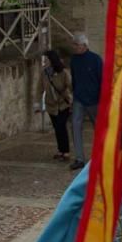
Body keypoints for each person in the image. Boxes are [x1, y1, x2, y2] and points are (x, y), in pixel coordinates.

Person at [68, 33, 102, 170]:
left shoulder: (96, 59)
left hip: (94, 100)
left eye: (77, 45)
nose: (75, 47)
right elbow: (74, 78)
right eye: (74, 44)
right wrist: (74, 93)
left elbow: (102, 79)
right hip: (79, 99)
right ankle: (79, 158)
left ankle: (100, 156)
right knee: (75, 126)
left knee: (99, 129)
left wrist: (101, 98)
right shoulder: (74, 60)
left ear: (84, 46)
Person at [40, 50, 73, 162]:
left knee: (61, 127)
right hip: (51, 105)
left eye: (46, 60)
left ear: (52, 60)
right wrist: (37, 103)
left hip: (63, 104)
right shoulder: (44, 73)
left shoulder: (63, 72)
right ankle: (60, 150)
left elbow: (71, 85)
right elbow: (39, 88)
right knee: (57, 128)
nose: (44, 62)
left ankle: (66, 151)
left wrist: (71, 97)